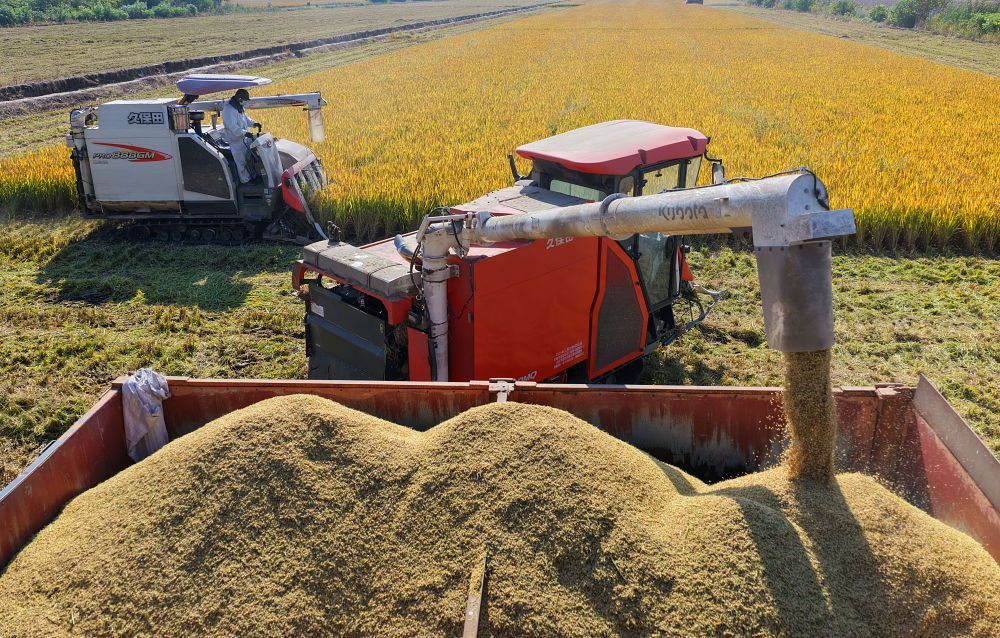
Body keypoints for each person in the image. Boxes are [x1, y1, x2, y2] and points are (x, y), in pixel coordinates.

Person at [222, 88, 258, 183]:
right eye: (245, 100)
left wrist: (254, 123)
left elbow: (245, 118)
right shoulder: (228, 109)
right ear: (240, 99)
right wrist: (245, 133)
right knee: (241, 162)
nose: (245, 102)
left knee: (248, 159)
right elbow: (233, 127)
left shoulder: (239, 106)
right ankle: (245, 181)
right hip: (235, 140)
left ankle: (251, 177)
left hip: (243, 139)